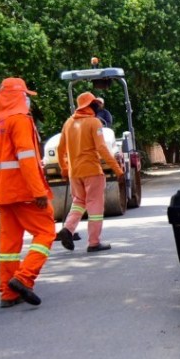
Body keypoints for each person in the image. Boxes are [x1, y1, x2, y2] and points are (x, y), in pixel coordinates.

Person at [0, 77, 55, 307]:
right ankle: (23, 278)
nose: (27, 100)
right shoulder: (20, 120)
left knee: (9, 244)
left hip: (1, 189)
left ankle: (8, 292)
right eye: (25, 95)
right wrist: (39, 192)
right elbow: (26, 158)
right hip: (23, 189)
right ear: (18, 96)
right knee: (46, 231)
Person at [56, 91, 124, 253]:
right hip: (92, 170)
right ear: (92, 106)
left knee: (79, 201)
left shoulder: (68, 123)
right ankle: (94, 242)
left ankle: (68, 229)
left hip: (74, 172)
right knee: (95, 206)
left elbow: (60, 149)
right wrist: (117, 169)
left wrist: (64, 168)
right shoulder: (94, 123)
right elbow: (101, 148)